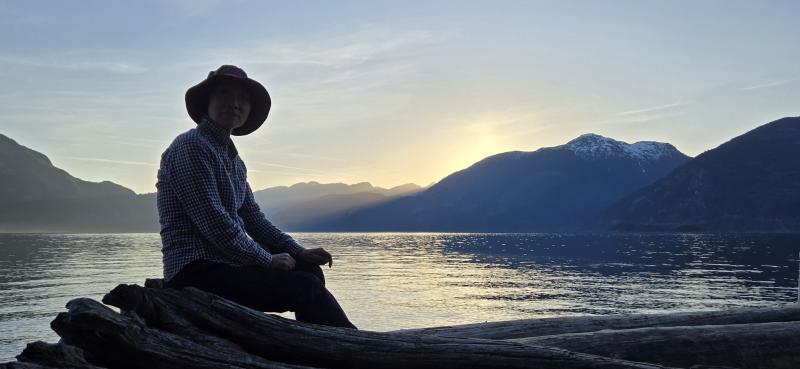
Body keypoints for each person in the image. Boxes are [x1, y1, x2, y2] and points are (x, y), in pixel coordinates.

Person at [156, 65, 356, 329]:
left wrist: (298, 251)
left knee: (308, 271)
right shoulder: (191, 146)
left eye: (242, 98)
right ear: (208, 102)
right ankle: (350, 344)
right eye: (224, 94)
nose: (234, 103)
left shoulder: (234, 160)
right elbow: (215, 225)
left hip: (226, 263)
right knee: (304, 287)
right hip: (194, 271)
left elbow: (254, 219)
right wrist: (267, 260)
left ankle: (318, 344)